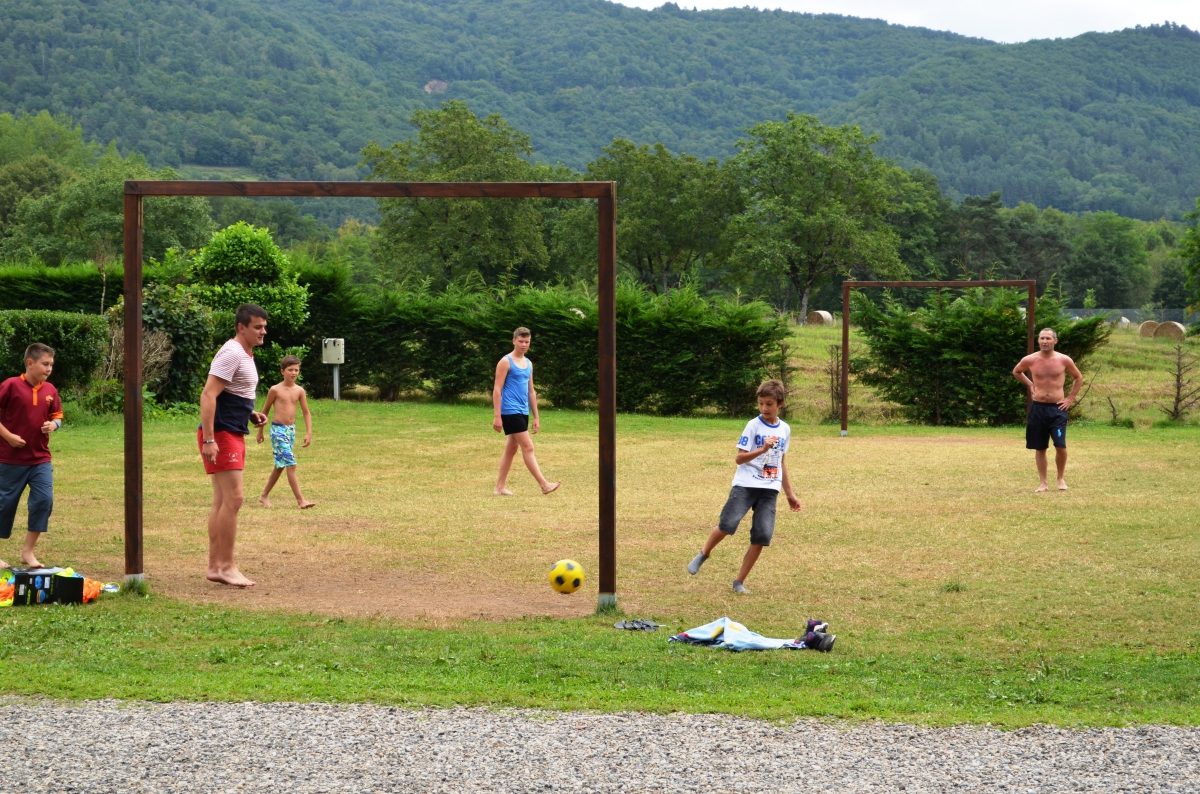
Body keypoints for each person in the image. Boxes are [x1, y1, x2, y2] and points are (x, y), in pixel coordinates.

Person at [687, 380, 802, 594]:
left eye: (769, 404)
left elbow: (781, 462)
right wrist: (762, 449)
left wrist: (790, 494)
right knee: (727, 524)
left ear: (781, 404)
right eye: (761, 404)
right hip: (746, 485)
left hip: (770, 489)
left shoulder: (785, 429)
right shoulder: (753, 425)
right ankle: (704, 553)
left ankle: (739, 582)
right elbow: (739, 458)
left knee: (762, 535)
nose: (764, 409)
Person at [199, 304, 269, 587]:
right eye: (257, 327)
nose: (263, 331)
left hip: (234, 429)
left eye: (264, 327)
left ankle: (216, 566)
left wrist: (249, 413)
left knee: (223, 500)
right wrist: (209, 438)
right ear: (241, 327)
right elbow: (208, 394)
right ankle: (225, 566)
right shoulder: (231, 353)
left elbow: (234, 393)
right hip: (223, 433)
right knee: (234, 499)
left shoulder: (244, 353)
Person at [0, 343, 63, 569]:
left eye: (51, 365)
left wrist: (53, 425)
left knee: (43, 501)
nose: (49, 369)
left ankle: (27, 552)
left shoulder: (50, 391)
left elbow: (57, 416)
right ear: (30, 363)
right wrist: (8, 437)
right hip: (9, 459)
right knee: (4, 504)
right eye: (45, 364)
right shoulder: (10, 385)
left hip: (40, 459)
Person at [492, 327, 560, 496]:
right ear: (513, 340)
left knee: (511, 448)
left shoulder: (529, 363)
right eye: (520, 341)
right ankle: (544, 485)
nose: (523, 345)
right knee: (528, 446)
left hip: (523, 410)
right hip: (509, 410)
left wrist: (536, 416)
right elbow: (497, 389)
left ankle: (499, 487)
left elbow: (531, 391)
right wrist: (497, 416)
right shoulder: (505, 361)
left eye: (527, 342)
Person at [1013, 327, 1082, 493]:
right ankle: (1043, 483)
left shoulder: (1064, 360)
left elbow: (1078, 377)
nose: (1045, 341)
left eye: (1048, 338)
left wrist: (1070, 398)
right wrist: (1030, 384)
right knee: (1040, 447)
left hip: (1057, 409)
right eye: (1042, 338)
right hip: (1038, 409)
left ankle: (1060, 478)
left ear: (1055, 341)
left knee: (1060, 445)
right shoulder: (1030, 360)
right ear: (1038, 340)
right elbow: (1017, 371)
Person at [256, 355, 314, 509]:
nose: (293, 373)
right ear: (282, 371)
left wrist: (309, 432)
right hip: (278, 431)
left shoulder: (299, 391)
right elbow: (265, 411)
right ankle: (301, 500)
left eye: (296, 370)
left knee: (280, 465)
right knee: (291, 464)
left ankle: (263, 496)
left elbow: (306, 412)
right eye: (290, 370)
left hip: (291, 431)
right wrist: (260, 431)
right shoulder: (275, 390)